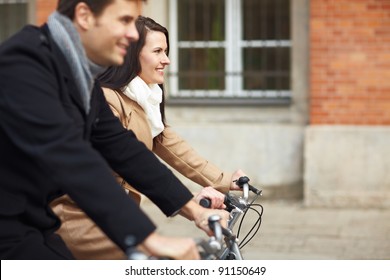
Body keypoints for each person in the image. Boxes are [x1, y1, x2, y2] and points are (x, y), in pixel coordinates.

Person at [0, 0, 228, 260]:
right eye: (124, 20)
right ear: (84, 15)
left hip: (33, 223)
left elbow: (121, 146)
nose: (133, 34)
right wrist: (149, 240)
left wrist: (194, 210)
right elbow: (72, 157)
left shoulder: (78, 75)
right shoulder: (23, 64)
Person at [50, 16, 246, 260]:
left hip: (115, 216)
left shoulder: (146, 98)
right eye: (158, 51)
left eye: (166, 51)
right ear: (132, 54)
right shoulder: (109, 100)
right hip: (84, 217)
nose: (167, 59)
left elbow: (173, 147)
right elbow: (124, 164)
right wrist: (191, 205)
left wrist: (224, 180)